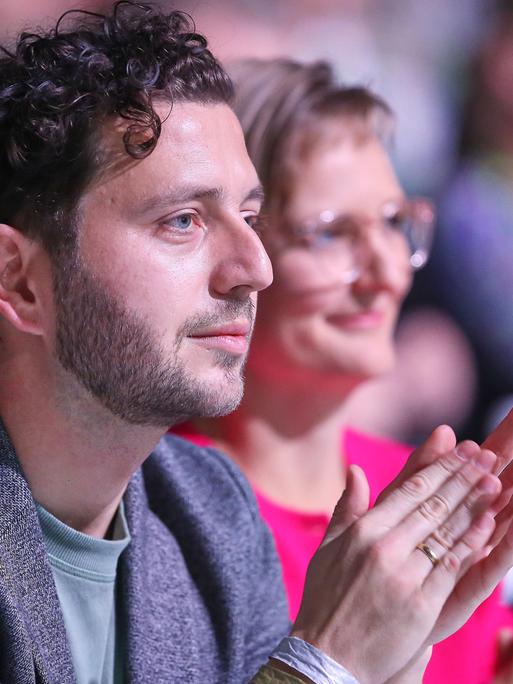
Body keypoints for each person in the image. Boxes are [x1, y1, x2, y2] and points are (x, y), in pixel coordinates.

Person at [1, 4, 513, 683]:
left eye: (248, 216)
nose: (255, 269)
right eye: (182, 221)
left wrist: (393, 657)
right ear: (21, 280)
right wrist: (327, 660)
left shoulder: (212, 516)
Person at [178, 58, 513, 683]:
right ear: (239, 252)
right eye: (331, 234)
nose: (389, 272)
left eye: (394, 223)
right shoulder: (163, 502)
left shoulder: (423, 485)